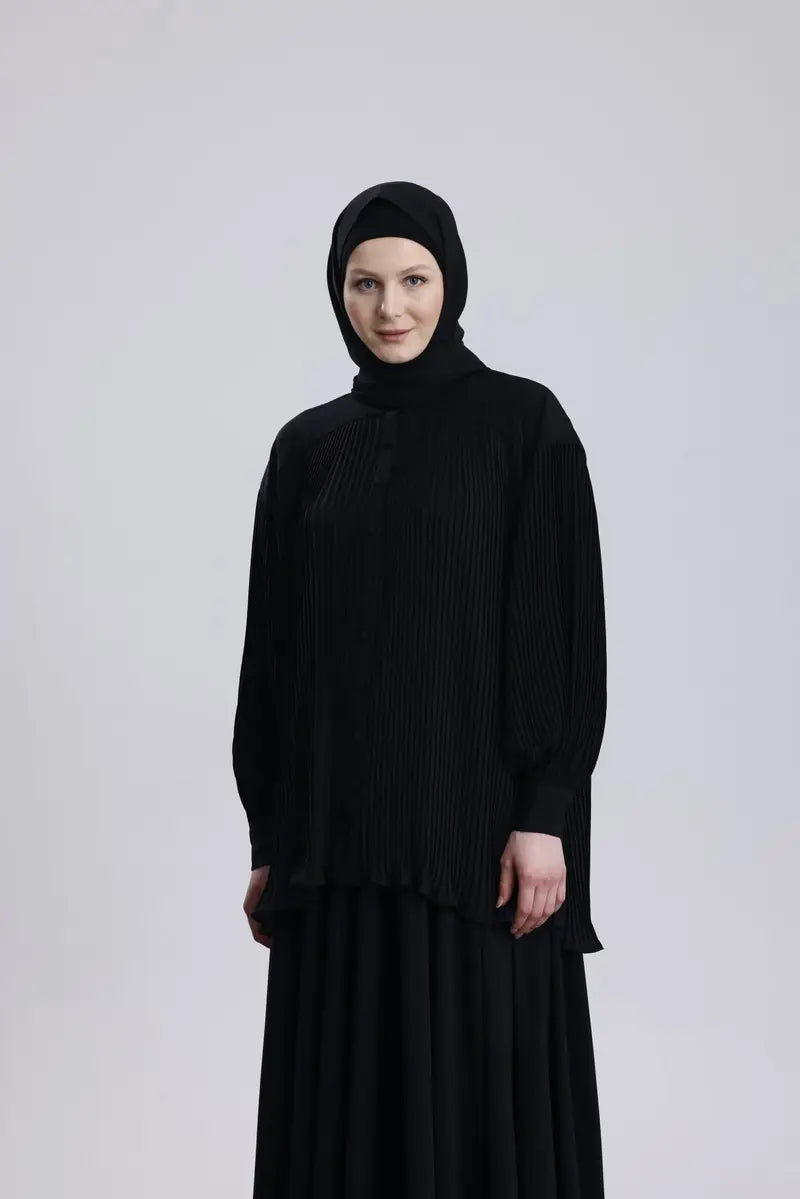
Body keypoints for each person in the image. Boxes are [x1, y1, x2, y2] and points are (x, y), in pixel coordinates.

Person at [232, 180, 608, 1198]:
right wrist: (268, 835)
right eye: (364, 283)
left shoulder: (523, 424)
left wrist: (544, 813)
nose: (389, 307)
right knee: (345, 1121)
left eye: (412, 279)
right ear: (337, 292)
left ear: (451, 283)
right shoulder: (307, 447)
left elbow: (558, 630)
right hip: (337, 844)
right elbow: (274, 655)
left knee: (483, 1111)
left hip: (475, 842)